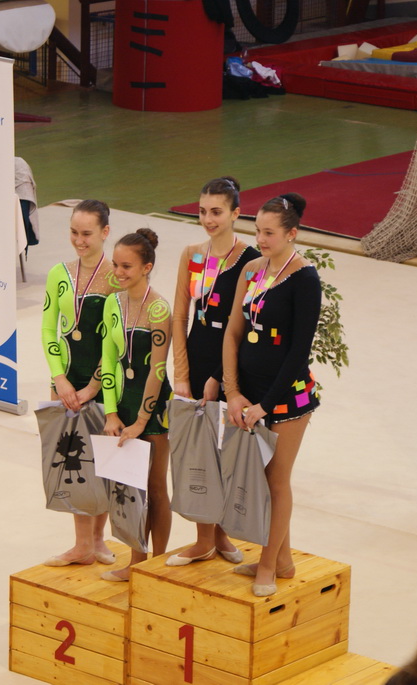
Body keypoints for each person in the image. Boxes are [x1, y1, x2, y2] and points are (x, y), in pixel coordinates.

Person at [222, 193, 320, 597]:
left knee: (276, 481)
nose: (260, 239)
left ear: (291, 233)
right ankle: (283, 559)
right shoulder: (251, 270)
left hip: (287, 397)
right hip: (249, 393)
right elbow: (233, 332)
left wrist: (266, 404)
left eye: (269, 233)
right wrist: (232, 391)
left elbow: (299, 352)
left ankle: (267, 566)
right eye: (257, 231)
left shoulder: (305, 278)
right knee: (260, 479)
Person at [166, 177, 260, 567]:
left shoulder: (252, 260)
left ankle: (220, 534)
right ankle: (204, 539)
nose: (208, 219)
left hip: (231, 366)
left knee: (228, 453)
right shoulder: (192, 255)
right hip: (197, 362)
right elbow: (180, 317)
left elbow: (245, 325)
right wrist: (182, 373)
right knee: (199, 454)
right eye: (203, 211)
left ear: (236, 213)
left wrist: (221, 378)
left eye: (217, 212)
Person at [40, 199, 120, 567]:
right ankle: (81, 544)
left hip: (104, 384)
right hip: (66, 380)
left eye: (87, 233)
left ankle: (98, 540)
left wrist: (92, 388)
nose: (79, 240)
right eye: (73, 232)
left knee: (101, 463)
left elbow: (115, 343)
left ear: (105, 232)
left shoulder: (117, 278)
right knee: (72, 461)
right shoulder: (59, 273)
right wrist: (59, 379)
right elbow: (49, 329)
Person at [99, 228, 173, 581]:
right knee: (130, 486)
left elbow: (157, 370)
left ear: (147, 267)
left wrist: (142, 420)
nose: (118, 272)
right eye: (115, 264)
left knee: (155, 487)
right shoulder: (113, 303)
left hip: (154, 406)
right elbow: (108, 359)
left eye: (126, 266)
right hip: (124, 399)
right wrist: (111, 411)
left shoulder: (159, 309)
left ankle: (157, 565)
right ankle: (136, 561)